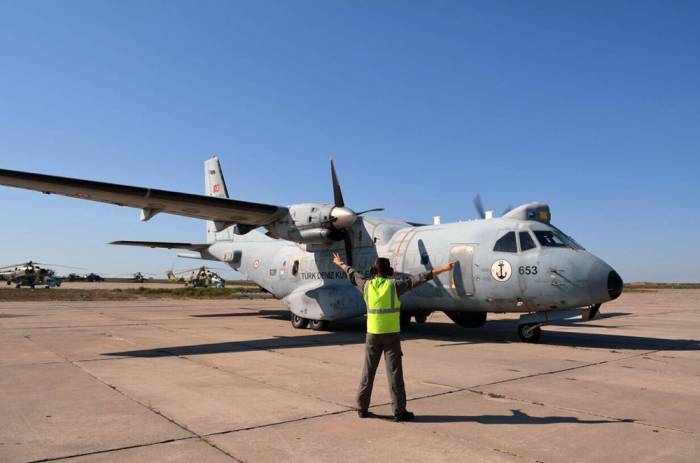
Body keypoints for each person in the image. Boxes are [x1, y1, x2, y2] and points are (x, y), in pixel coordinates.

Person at [332, 252, 454, 421]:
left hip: (372, 335)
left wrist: (339, 263)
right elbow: (419, 278)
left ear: (374, 270)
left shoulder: (366, 285)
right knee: (394, 373)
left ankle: (361, 407)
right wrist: (443, 268)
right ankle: (399, 411)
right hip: (391, 336)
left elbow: (352, 273)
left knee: (368, 372)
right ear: (390, 270)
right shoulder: (394, 286)